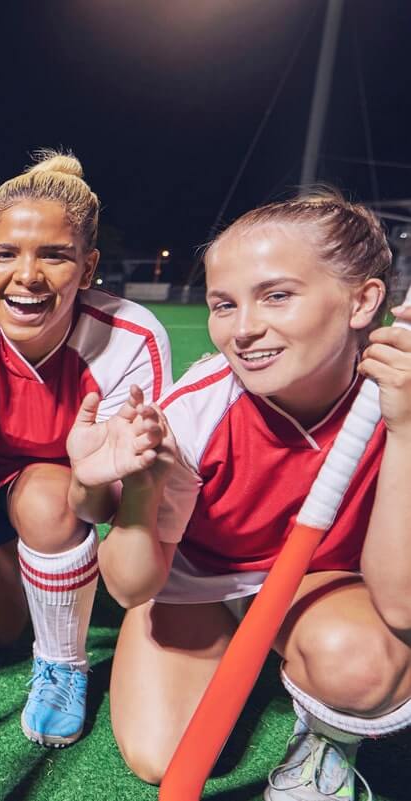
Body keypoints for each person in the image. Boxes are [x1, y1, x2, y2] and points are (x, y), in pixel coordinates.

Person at [86, 190, 411, 800]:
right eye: (223, 304)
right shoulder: (194, 411)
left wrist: (407, 431)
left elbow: (404, 605)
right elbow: (130, 587)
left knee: (359, 663)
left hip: (323, 582)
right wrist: (136, 490)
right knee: (161, 756)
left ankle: (324, 740)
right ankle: (246, 643)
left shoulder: (399, 393)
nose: (243, 330)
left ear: (363, 301)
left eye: (277, 295)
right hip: (200, 581)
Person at [0, 151, 171, 747]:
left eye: (54, 255)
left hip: (65, 492)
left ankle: (62, 662)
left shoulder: (129, 337)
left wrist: (82, 477)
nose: (27, 276)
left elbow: (106, 505)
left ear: (88, 267)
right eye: (5, 254)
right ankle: (43, 585)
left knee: (48, 499)